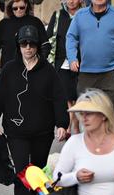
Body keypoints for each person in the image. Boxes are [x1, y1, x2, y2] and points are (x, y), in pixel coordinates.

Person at [0, 25, 69, 195]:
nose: (28, 48)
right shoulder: (9, 70)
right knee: (22, 173)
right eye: (24, 44)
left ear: (37, 46)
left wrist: (62, 123)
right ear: (19, 45)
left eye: (32, 44)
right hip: (16, 132)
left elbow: (59, 98)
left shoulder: (47, 70)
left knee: (37, 174)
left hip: (42, 131)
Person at [66, 0, 114, 120]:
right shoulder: (80, 15)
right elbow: (71, 37)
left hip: (112, 74)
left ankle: (110, 139)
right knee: (87, 117)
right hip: (86, 74)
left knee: (110, 116)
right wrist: (72, 58)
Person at [0, 0, 51, 87]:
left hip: (32, 70)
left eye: (22, 7)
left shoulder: (35, 22)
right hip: (8, 71)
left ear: (27, 6)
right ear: (11, 8)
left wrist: (39, 62)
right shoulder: (3, 24)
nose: (18, 10)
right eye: (15, 8)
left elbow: (45, 45)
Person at [46, 0, 83, 134]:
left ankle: (75, 125)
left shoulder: (85, 14)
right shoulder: (57, 15)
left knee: (78, 98)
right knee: (67, 98)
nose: (71, 1)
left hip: (82, 63)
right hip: (61, 63)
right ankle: (71, 126)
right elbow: (48, 37)